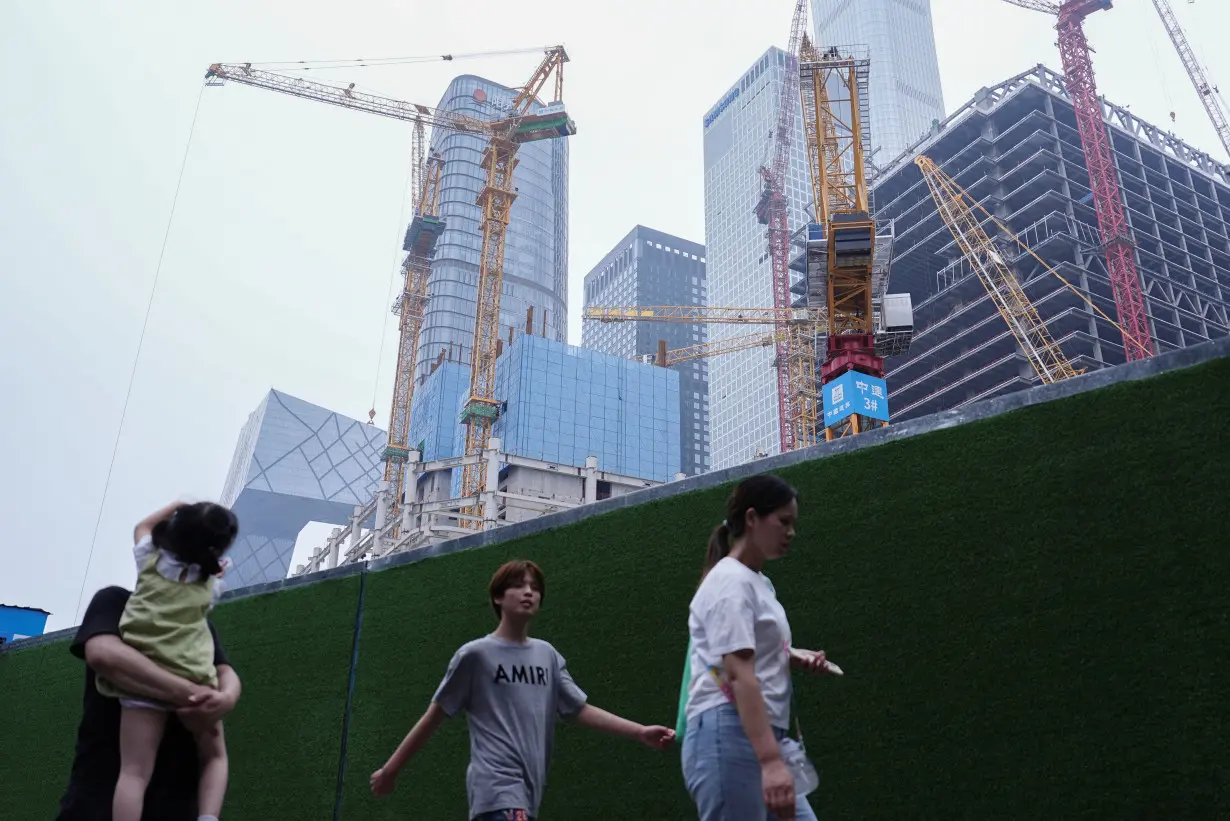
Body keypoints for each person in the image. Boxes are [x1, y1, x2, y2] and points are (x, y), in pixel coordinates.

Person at [370, 558, 677, 820]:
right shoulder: (475, 656)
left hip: (529, 793)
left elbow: (579, 709)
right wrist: (390, 770)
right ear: (498, 597)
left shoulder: (548, 655)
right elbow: (433, 716)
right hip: (496, 789)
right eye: (519, 585)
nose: (529, 592)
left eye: (535, 587)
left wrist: (639, 732)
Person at [680, 474, 836, 821]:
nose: (791, 532)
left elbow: (746, 655)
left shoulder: (756, 583)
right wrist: (770, 762)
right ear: (752, 519)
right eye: (783, 521)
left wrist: (793, 656)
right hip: (730, 733)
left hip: (756, 735)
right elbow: (738, 672)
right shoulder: (730, 581)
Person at [56, 561, 242, 819]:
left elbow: (226, 672)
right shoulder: (116, 602)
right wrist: (191, 693)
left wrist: (227, 697)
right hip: (95, 807)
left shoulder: (200, 629)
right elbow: (103, 654)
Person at [92, 501, 240, 821]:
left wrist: (175, 505)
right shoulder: (211, 586)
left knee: (133, 773)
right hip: (196, 675)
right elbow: (211, 573)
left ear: (174, 531)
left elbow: (141, 528)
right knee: (215, 758)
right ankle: (208, 818)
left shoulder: (148, 561)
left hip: (144, 674)